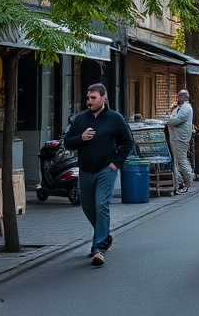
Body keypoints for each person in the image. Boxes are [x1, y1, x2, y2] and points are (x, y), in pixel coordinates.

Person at [63, 83, 135, 267]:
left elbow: (128, 142)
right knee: (88, 207)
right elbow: (67, 142)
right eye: (88, 98)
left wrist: (116, 163)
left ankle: (98, 248)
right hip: (86, 169)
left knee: (101, 204)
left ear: (104, 98)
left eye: (93, 98)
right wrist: (81, 138)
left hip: (106, 169)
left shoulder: (115, 118)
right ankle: (105, 236)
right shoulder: (81, 119)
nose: (90, 101)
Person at [166, 89, 194, 194]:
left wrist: (168, 121)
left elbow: (176, 120)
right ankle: (180, 182)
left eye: (178, 97)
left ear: (182, 98)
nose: (177, 99)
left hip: (180, 138)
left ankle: (187, 182)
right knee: (178, 160)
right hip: (177, 137)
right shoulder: (181, 107)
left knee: (181, 160)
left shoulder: (186, 108)